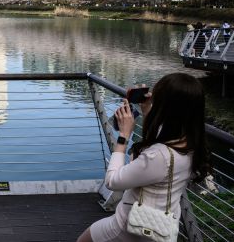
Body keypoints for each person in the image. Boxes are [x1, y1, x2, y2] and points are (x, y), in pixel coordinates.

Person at [77, 73, 211, 242]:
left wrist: (123, 137)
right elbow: (159, 139)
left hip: (129, 227)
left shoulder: (158, 156)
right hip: (161, 227)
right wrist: (147, 110)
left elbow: (112, 181)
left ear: (166, 107)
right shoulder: (191, 143)